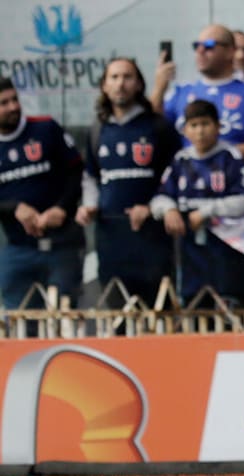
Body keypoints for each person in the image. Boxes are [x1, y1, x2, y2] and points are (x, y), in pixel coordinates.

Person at [76, 57, 179, 305]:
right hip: (111, 235)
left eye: (127, 77)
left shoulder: (157, 126)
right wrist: (89, 204)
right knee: (117, 315)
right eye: (114, 77)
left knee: (159, 314)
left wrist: (154, 207)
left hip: (152, 236)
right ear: (104, 85)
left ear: (139, 84)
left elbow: (176, 174)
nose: (120, 84)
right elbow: (90, 175)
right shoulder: (98, 129)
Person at [149, 99, 244, 308]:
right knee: (195, 309)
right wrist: (169, 209)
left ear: (218, 127)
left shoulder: (229, 158)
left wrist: (207, 211)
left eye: (205, 124)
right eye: (194, 125)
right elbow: (159, 198)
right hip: (191, 255)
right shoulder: (181, 161)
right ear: (185, 130)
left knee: (230, 309)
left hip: (227, 253)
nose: (200, 131)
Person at [0, 78, 86, 310]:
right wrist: (13, 208)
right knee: (20, 325)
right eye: (3, 103)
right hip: (18, 249)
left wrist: (62, 207)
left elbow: (77, 172)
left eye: (14, 99)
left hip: (62, 244)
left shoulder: (45, 128)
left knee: (65, 319)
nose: (13, 107)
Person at [151, 25, 244, 159]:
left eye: (209, 46)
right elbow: (152, 130)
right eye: (197, 45)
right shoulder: (180, 92)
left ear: (230, 52)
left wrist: (222, 155)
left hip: (236, 177)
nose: (200, 51)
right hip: (190, 177)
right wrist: (159, 88)